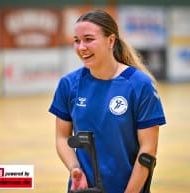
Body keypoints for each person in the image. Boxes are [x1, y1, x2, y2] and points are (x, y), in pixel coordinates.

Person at [49, 9, 166, 193]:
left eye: (89, 39)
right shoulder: (69, 85)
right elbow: (62, 137)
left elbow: (148, 150)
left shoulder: (139, 85)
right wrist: (75, 168)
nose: (81, 47)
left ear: (111, 40)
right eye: (77, 41)